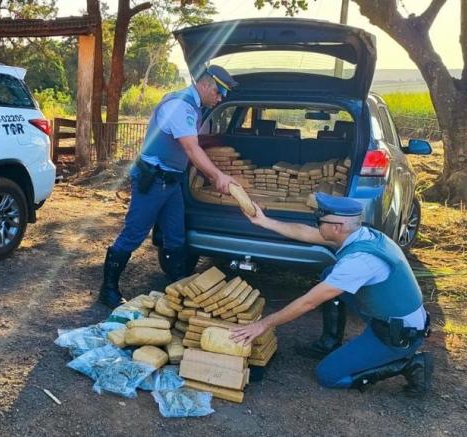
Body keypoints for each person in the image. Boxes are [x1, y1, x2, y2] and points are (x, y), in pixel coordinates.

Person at [230, 193, 433, 396]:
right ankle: (330, 342)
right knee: (330, 275)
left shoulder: (359, 261)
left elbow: (308, 303)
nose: (317, 225)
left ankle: (410, 364)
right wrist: (265, 221)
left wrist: (263, 324)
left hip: (397, 335)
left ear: (337, 227)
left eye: (320, 221)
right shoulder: (359, 234)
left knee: (328, 375)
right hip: (388, 315)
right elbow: (305, 233)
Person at [98, 65, 239, 308]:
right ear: (204, 85)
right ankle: (108, 289)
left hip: (171, 182)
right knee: (133, 234)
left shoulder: (195, 107)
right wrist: (217, 176)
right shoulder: (181, 106)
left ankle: (177, 285)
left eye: (224, 94)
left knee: (175, 237)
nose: (221, 98)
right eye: (219, 91)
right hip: (153, 181)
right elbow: (191, 148)